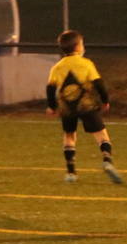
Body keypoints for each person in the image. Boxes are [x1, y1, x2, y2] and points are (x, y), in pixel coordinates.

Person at [46, 30, 121, 185]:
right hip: (86, 106)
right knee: (101, 134)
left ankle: (71, 172)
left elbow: (50, 89)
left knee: (69, 135)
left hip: (67, 107)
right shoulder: (86, 64)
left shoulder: (57, 67)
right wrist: (105, 100)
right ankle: (107, 160)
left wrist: (52, 106)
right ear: (78, 47)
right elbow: (99, 84)